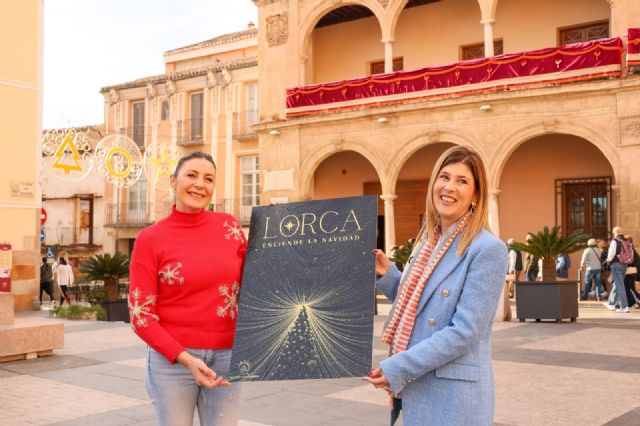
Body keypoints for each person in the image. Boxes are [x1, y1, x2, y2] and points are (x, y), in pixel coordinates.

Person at [366, 146, 508, 426]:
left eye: (462, 181)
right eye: (444, 177)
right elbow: (421, 304)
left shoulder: (488, 249)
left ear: (476, 196)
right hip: (420, 386)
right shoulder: (428, 244)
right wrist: (388, 275)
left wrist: (399, 366)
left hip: (453, 397)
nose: (449, 187)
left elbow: (465, 332)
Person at [129, 151, 247, 425]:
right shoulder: (150, 239)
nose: (199, 184)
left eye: (208, 179)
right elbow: (140, 316)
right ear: (173, 182)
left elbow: (258, 282)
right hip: (171, 362)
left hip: (229, 357)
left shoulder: (229, 226)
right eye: (191, 175)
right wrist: (184, 358)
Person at [603, 227, 631, 313]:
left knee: (620, 285)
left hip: (616, 264)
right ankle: (611, 303)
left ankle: (624, 306)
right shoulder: (627, 241)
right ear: (621, 232)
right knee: (617, 284)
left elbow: (611, 254)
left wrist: (608, 261)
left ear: (614, 233)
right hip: (625, 265)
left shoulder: (614, 241)